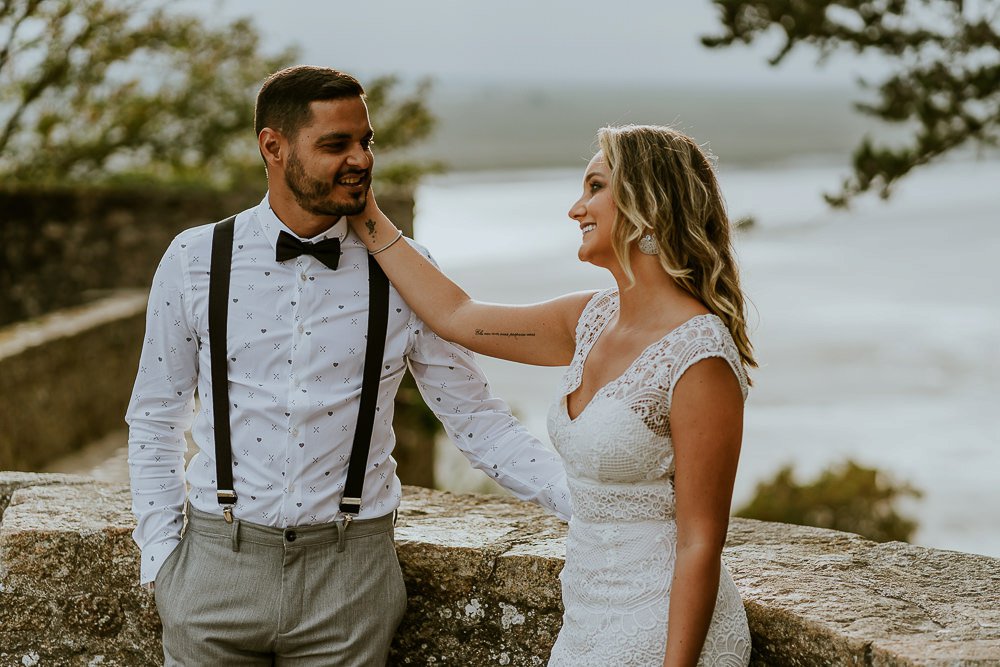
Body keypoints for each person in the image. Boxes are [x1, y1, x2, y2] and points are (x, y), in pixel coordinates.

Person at [126, 65, 571, 666]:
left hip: (351, 579)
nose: (359, 159)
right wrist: (162, 561)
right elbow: (155, 415)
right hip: (214, 569)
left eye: (365, 142)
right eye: (335, 145)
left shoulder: (406, 268)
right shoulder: (196, 258)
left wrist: (591, 500)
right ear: (274, 147)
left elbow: (477, 421)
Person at [347, 123, 756, 666]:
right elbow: (456, 317)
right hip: (586, 618)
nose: (575, 209)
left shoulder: (699, 353)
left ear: (649, 205)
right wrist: (366, 215)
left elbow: (701, 541)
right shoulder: (588, 319)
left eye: (594, 188)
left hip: (661, 627)